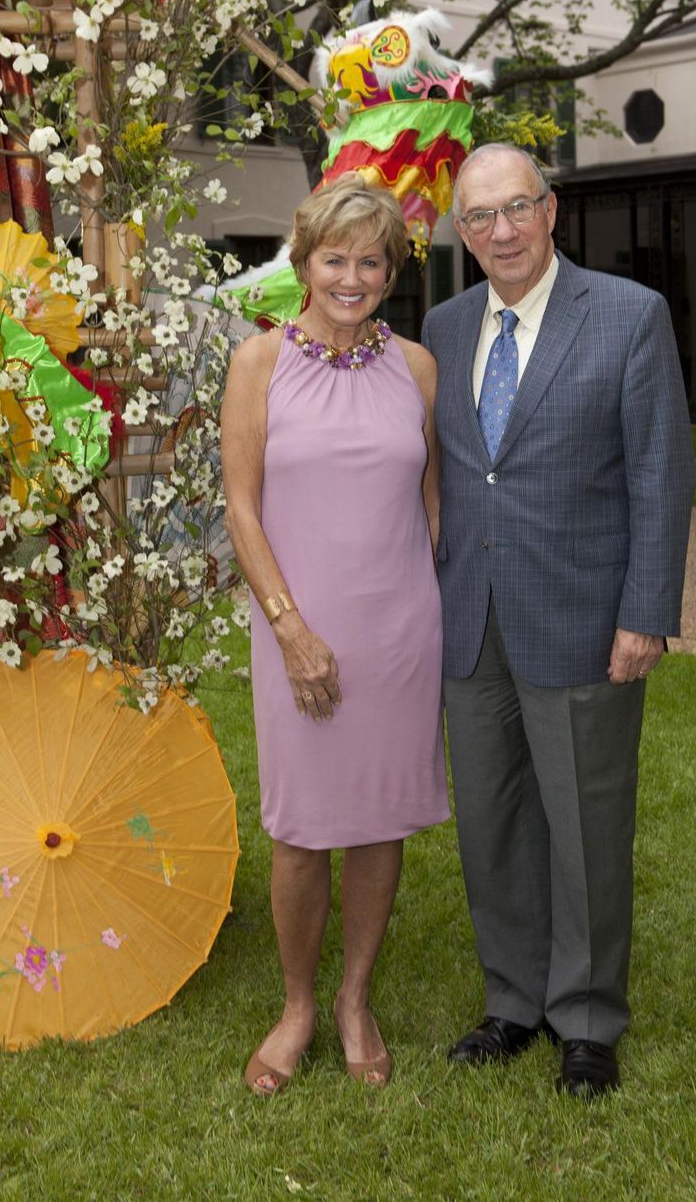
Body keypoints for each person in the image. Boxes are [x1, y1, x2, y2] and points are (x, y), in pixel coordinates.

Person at [421, 143, 695, 1099]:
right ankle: (511, 1002)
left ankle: (585, 1018)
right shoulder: (444, 328)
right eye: (480, 217)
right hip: (472, 621)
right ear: (462, 232)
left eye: (517, 209)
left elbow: (662, 472)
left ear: (551, 210)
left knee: (585, 823)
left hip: (584, 616)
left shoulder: (628, 316)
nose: (501, 231)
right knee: (491, 825)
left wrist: (647, 612)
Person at [221, 174, 448, 1095]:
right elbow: (240, 508)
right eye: (334, 258)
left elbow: (431, 502)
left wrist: (420, 603)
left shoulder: (419, 368)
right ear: (303, 259)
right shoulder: (259, 363)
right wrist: (289, 629)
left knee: (380, 819)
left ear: (390, 272)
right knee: (303, 828)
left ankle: (355, 999)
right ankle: (297, 1005)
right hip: (295, 629)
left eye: (371, 261)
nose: (351, 277)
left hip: (399, 631)